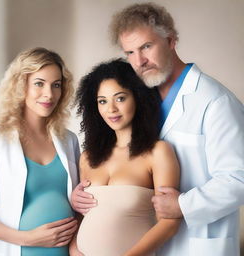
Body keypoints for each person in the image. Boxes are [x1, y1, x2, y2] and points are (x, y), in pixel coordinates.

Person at [72, 3, 244, 256]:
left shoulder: (215, 102)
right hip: (145, 241)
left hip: (198, 244)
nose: (139, 61)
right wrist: (86, 196)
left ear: (171, 41)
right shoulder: (139, 98)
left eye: (146, 47)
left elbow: (238, 178)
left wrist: (184, 206)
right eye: (129, 52)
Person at [72, 59, 180, 255]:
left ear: (138, 97)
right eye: (102, 101)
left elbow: (170, 222)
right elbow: (82, 216)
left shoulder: (158, 152)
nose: (111, 109)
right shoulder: (88, 158)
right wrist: (74, 250)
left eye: (120, 98)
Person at [0, 47, 80, 256]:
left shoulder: (69, 141)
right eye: (39, 83)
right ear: (21, 86)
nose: (49, 94)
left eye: (56, 85)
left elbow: (77, 201)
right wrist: (28, 238)